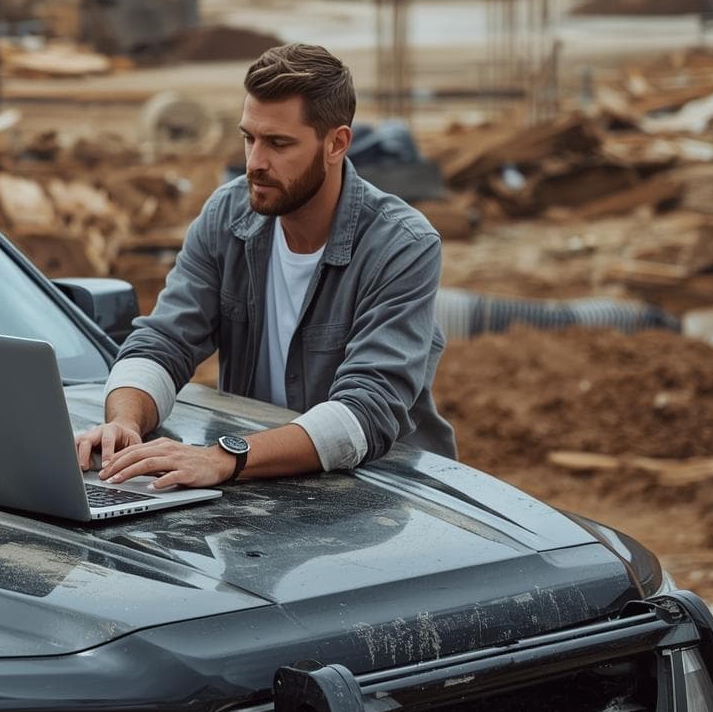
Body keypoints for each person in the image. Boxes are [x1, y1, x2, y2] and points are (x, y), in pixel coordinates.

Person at [74, 43, 456, 490]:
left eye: (278, 143)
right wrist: (125, 423)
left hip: (384, 498)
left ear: (336, 143)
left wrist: (223, 458)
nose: (255, 163)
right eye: (249, 138)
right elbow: (165, 340)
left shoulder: (402, 245)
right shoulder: (226, 215)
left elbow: (367, 410)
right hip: (264, 491)